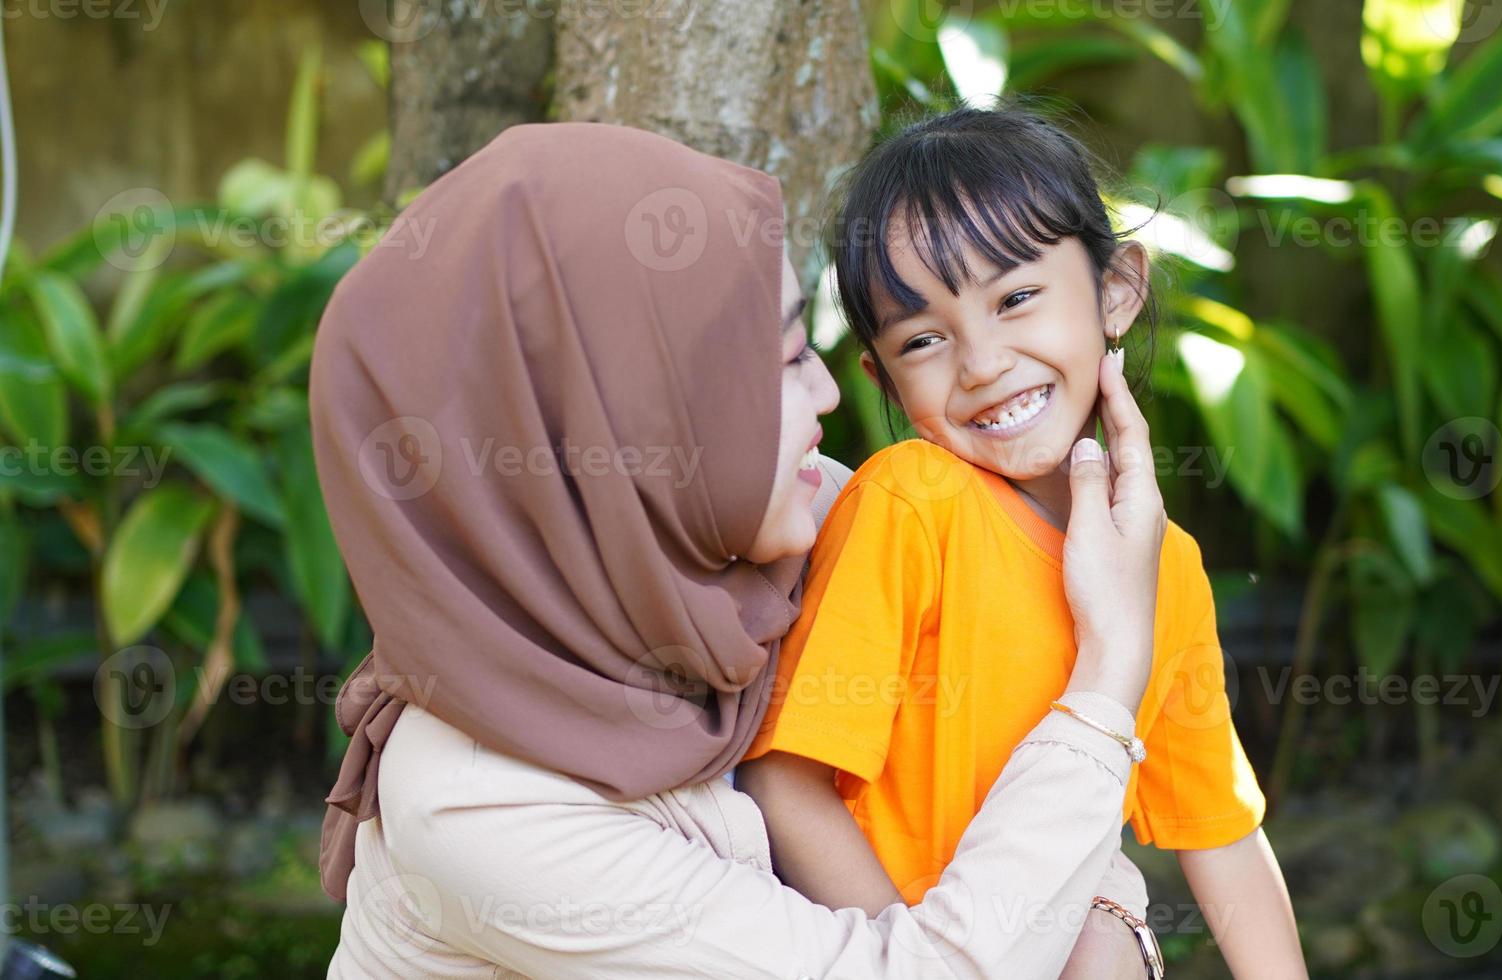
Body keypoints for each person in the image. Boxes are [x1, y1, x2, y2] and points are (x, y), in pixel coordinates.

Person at [313, 120, 1169, 978]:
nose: (832, 391)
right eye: (789, 364)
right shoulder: (481, 803)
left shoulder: (814, 527)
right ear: (619, 439)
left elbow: (1005, 798)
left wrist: (1106, 914)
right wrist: (1110, 669)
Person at [738, 106, 1307, 979]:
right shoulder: (911, 501)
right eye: (924, 339)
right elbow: (788, 786)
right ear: (880, 374)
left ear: (1117, 290)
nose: (983, 363)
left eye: (1016, 299)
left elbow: (1221, 835)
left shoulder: (1166, 564)